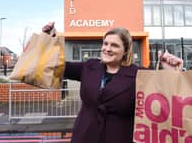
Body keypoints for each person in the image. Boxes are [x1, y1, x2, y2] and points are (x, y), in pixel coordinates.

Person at [42, 22, 183, 143]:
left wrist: (171, 72)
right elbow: (57, 65)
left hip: (120, 138)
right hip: (84, 136)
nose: (107, 49)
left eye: (114, 45)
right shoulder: (89, 67)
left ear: (125, 51)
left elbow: (168, 95)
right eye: (105, 43)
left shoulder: (140, 74)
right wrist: (51, 39)